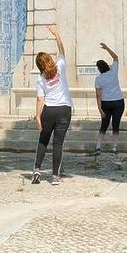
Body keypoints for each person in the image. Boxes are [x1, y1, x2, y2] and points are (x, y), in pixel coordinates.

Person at [32, 24, 73, 185]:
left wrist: (37, 116)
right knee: (58, 143)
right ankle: (55, 176)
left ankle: (36, 169)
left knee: (43, 140)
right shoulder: (60, 67)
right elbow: (62, 51)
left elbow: (40, 99)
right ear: (49, 59)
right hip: (64, 110)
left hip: (48, 111)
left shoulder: (41, 78)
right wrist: (57, 35)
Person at [94, 42, 125, 155]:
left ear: (99, 69)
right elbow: (116, 57)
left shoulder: (98, 79)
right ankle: (114, 148)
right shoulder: (113, 72)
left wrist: (99, 109)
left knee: (104, 125)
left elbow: (98, 95)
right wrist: (107, 48)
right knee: (116, 125)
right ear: (107, 65)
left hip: (105, 103)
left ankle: (98, 147)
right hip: (118, 102)